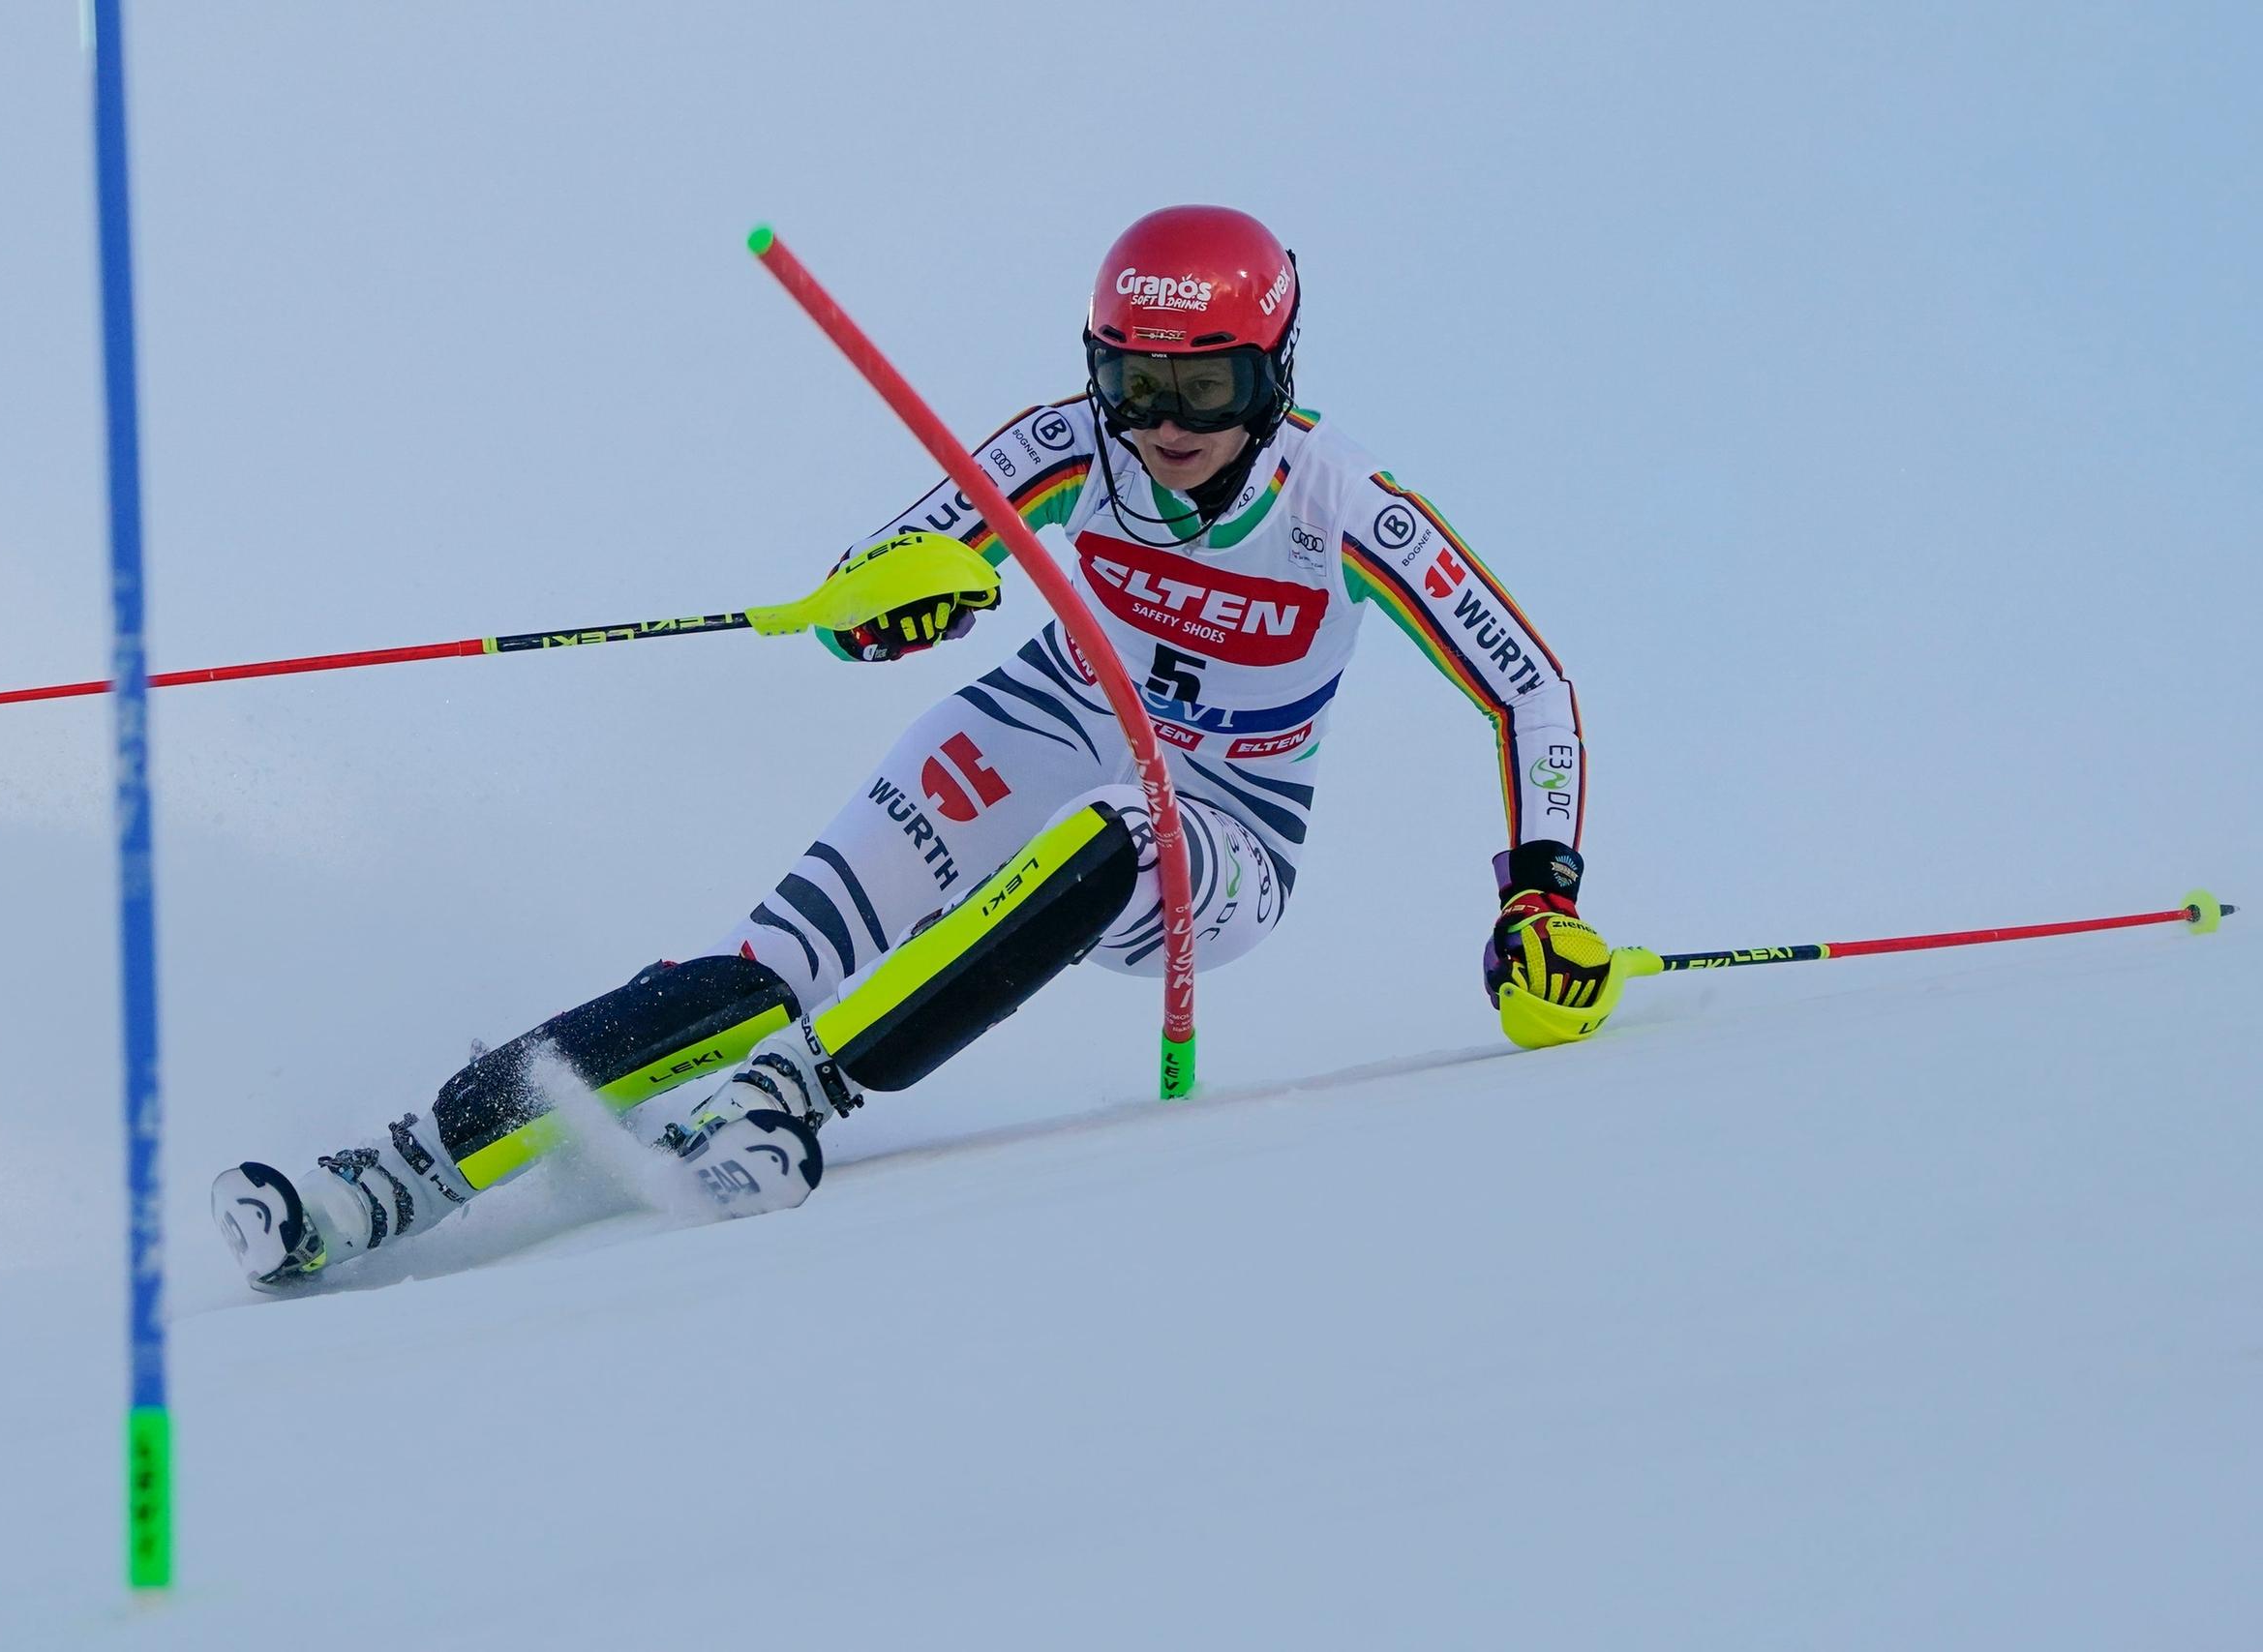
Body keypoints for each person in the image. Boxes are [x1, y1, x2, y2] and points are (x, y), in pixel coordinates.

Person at [212, 204, 1611, 1288]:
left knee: (1132, 829)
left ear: (1276, 371)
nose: (1167, 427)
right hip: (1043, 723)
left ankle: (794, 1099)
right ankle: (398, 1171)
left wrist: (1539, 895)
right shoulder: (1077, 446)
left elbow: (1529, 687)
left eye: (1210, 387)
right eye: (1137, 381)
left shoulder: (1341, 505)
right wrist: (891, 611)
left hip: (1225, 823)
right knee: (764, 970)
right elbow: (882, 572)